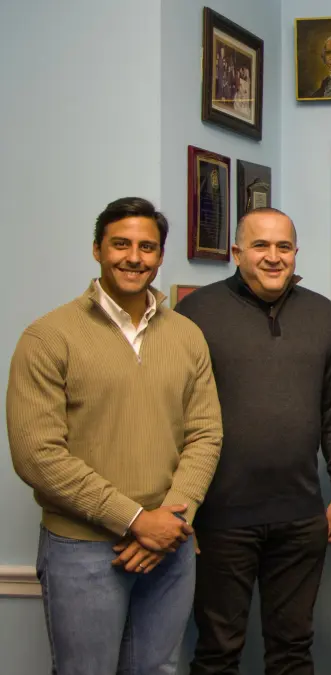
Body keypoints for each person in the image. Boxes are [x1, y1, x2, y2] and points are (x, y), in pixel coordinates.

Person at [6, 197, 222, 674]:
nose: (134, 257)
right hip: (83, 549)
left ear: (160, 256)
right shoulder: (48, 337)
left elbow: (206, 434)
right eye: (121, 244)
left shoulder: (187, 335)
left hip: (170, 545)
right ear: (97, 249)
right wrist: (134, 520)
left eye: (147, 247)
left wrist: (169, 519)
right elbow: (37, 455)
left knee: (159, 670)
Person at [174, 207, 331, 675]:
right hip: (219, 518)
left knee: (292, 652)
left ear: (295, 253)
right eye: (260, 245)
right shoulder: (195, 313)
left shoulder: (319, 313)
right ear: (237, 252)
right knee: (217, 652)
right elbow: (171, 415)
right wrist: (179, 507)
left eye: (283, 246)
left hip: (299, 518)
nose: (274, 256)